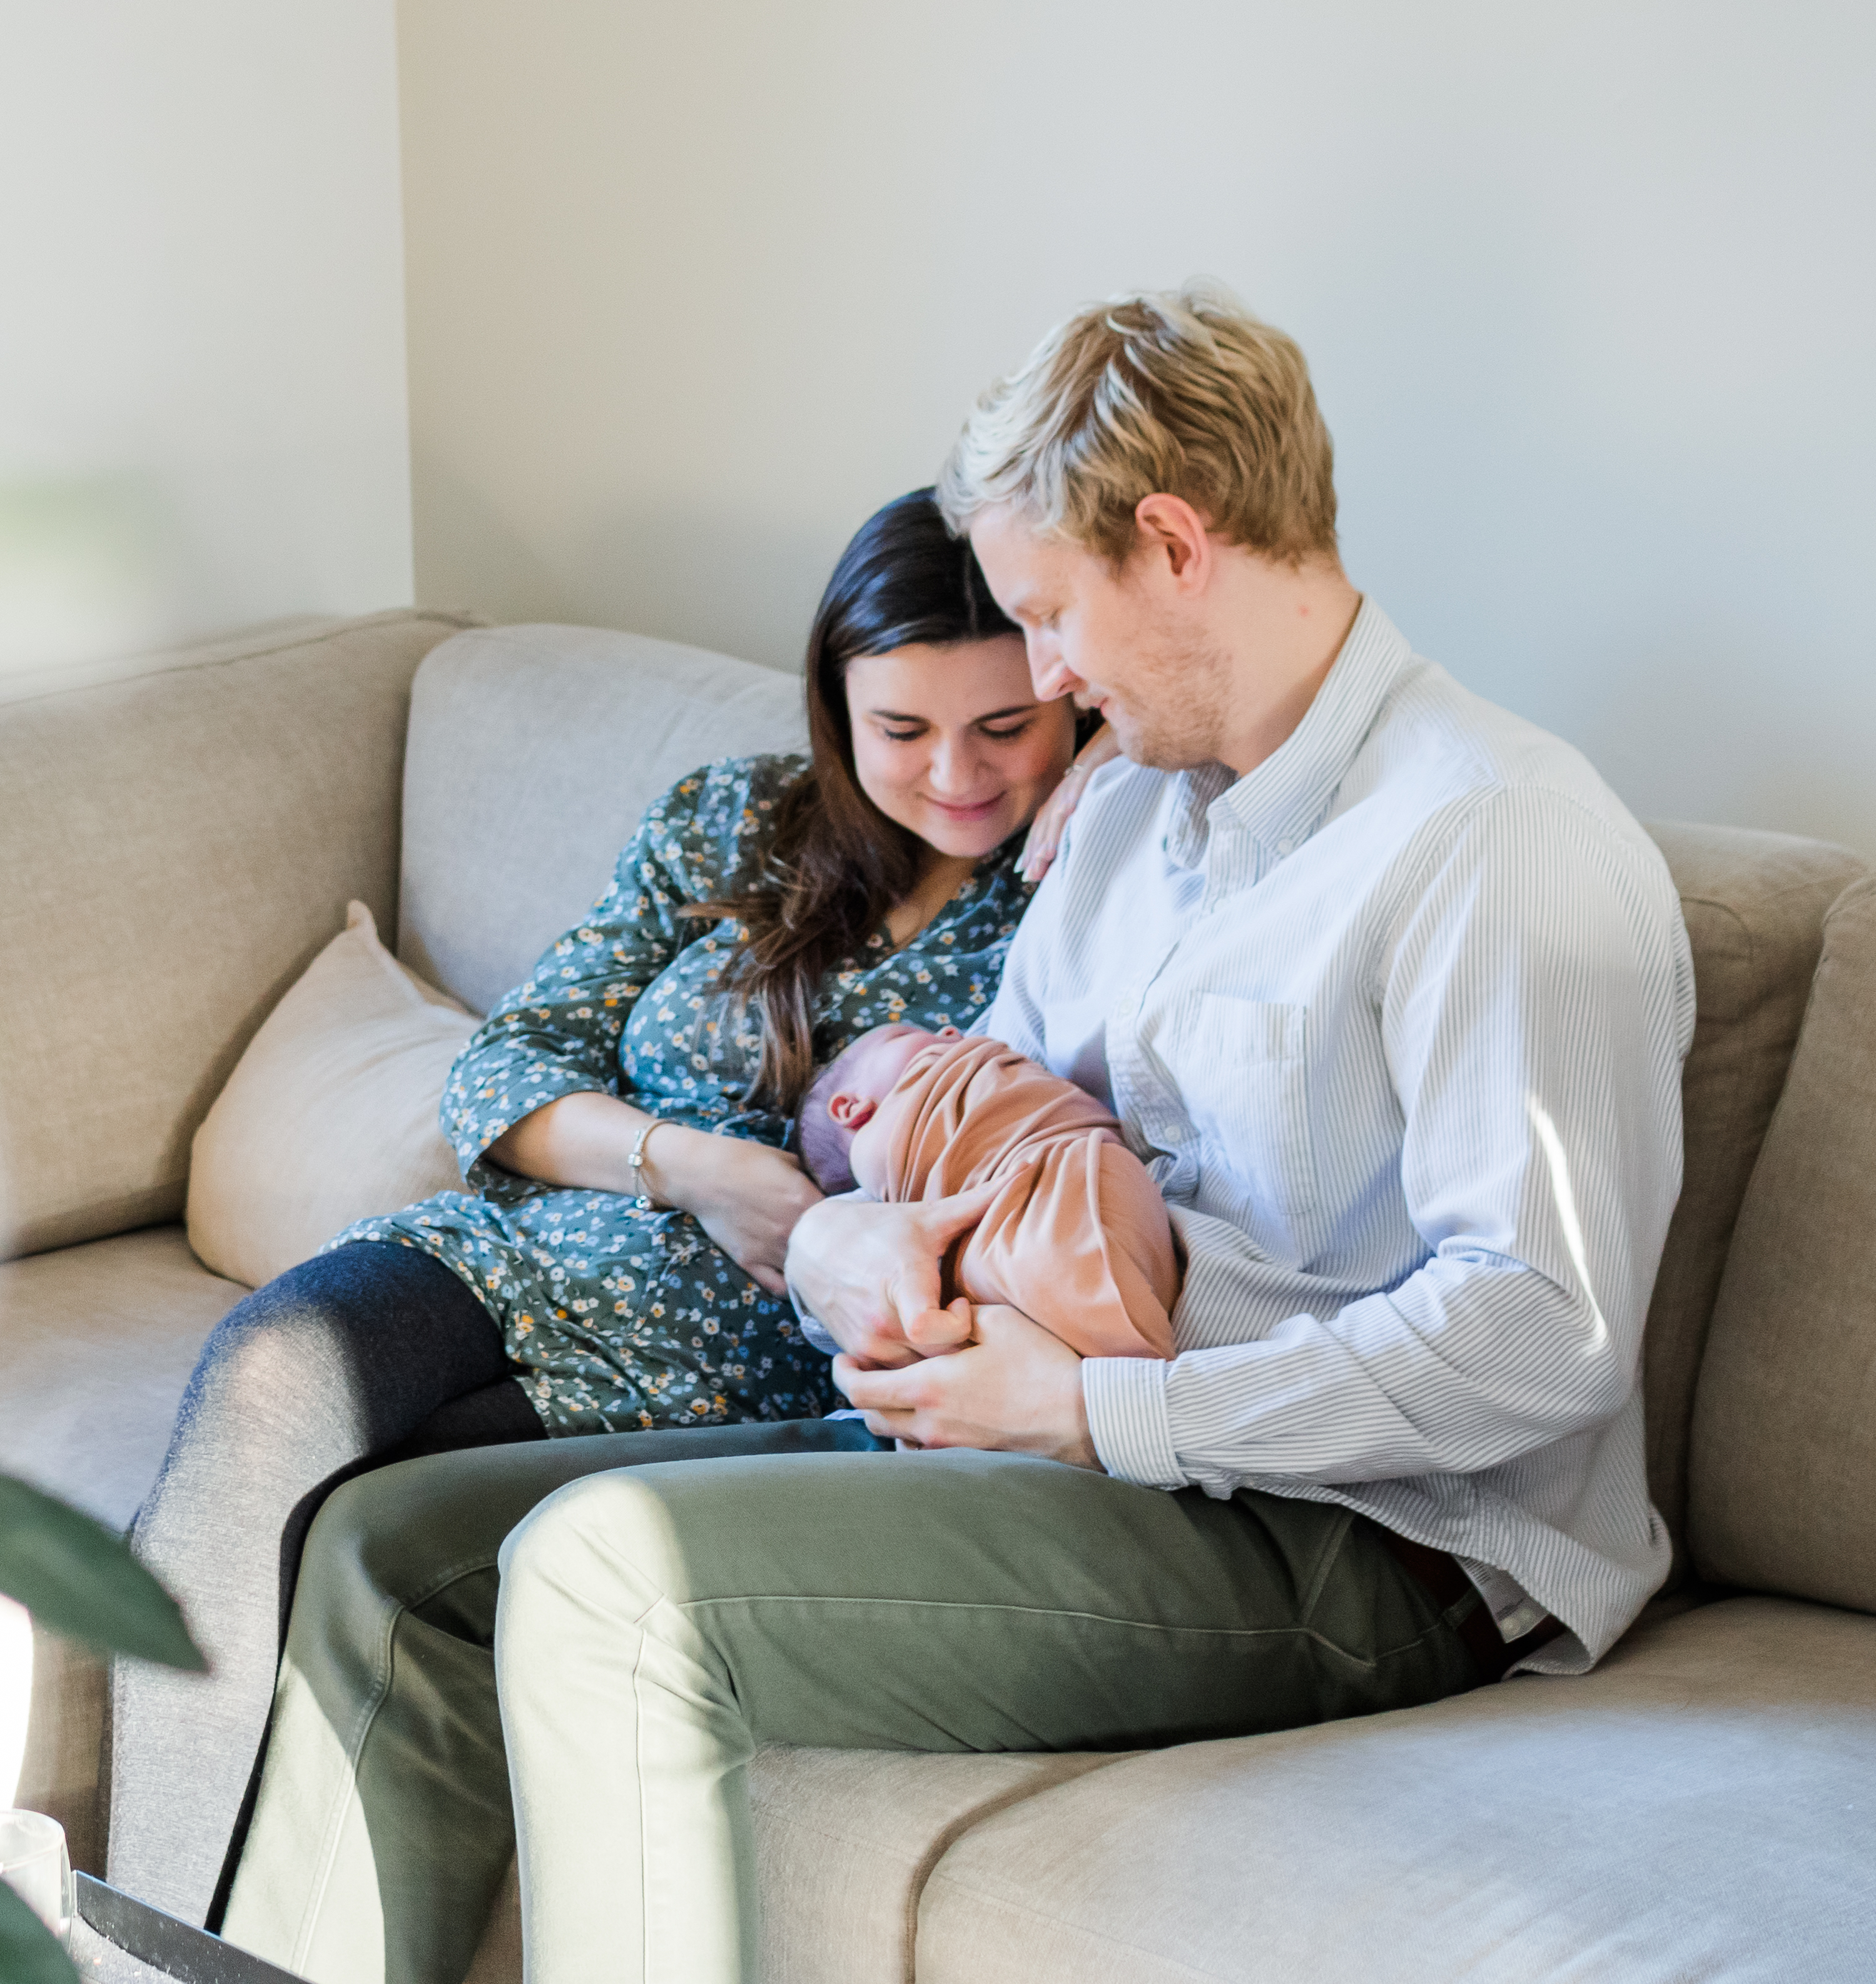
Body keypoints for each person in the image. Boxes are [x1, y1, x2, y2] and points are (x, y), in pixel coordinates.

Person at [216, 283, 1693, 1984]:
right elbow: (962, 1100)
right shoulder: (1136, 810)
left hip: (1377, 1541)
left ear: (1174, 543)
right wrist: (847, 1232)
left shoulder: (1493, 844)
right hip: (1046, 1423)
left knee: (614, 1588)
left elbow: (1545, 1331)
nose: (1043, 683)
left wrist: (1099, 1406)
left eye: (1050, 620)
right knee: (382, 1556)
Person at [108, 490, 1082, 1926]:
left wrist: (1112, 797)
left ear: (1069, 695)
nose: (954, 775)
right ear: (836, 708)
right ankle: (128, 1950)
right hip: (516, 1256)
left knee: (362, 1528)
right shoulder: (733, 825)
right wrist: (699, 1164)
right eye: (904, 730)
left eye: (1005, 729)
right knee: (264, 1398)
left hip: (723, 1377)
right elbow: (505, 1068)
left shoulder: (1087, 900)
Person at [795, 1020, 1179, 1364]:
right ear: (850, 1107)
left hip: (1080, 1183)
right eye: (907, 1034)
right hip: (1031, 1230)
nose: (951, 1034)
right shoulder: (880, 1162)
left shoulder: (976, 1066)